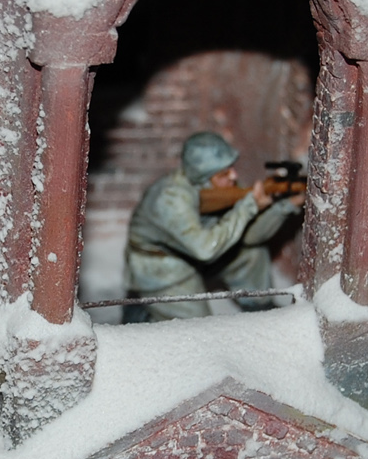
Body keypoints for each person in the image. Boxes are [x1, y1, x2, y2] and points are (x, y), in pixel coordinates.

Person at [123, 131, 305, 321]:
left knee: (252, 253)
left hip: (201, 253)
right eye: (224, 173)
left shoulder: (223, 186)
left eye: (231, 168)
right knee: (197, 328)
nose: (233, 175)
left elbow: (251, 236)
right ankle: (141, 311)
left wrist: (285, 206)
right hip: (165, 266)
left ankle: (260, 309)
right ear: (204, 177)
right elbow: (205, 250)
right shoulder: (170, 199)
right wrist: (248, 207)